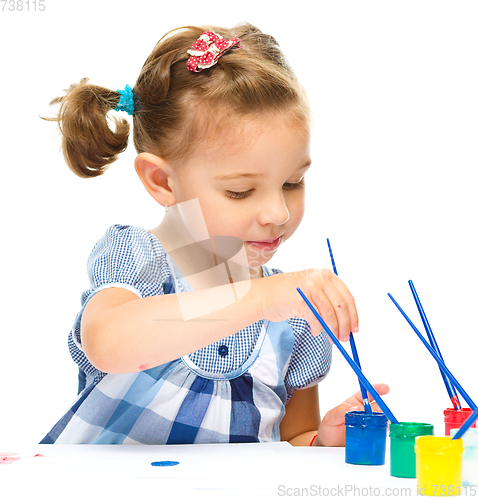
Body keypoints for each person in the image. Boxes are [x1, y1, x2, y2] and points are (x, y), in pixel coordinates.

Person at [40, 23, 389, 446]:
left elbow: (292, 437)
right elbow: (108, 342)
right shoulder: (139, 258)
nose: (278, 212)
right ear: (162, 182)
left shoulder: (293, 315)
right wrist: (261, 298)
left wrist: (324, 440)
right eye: (240, 191)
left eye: (293, 183)